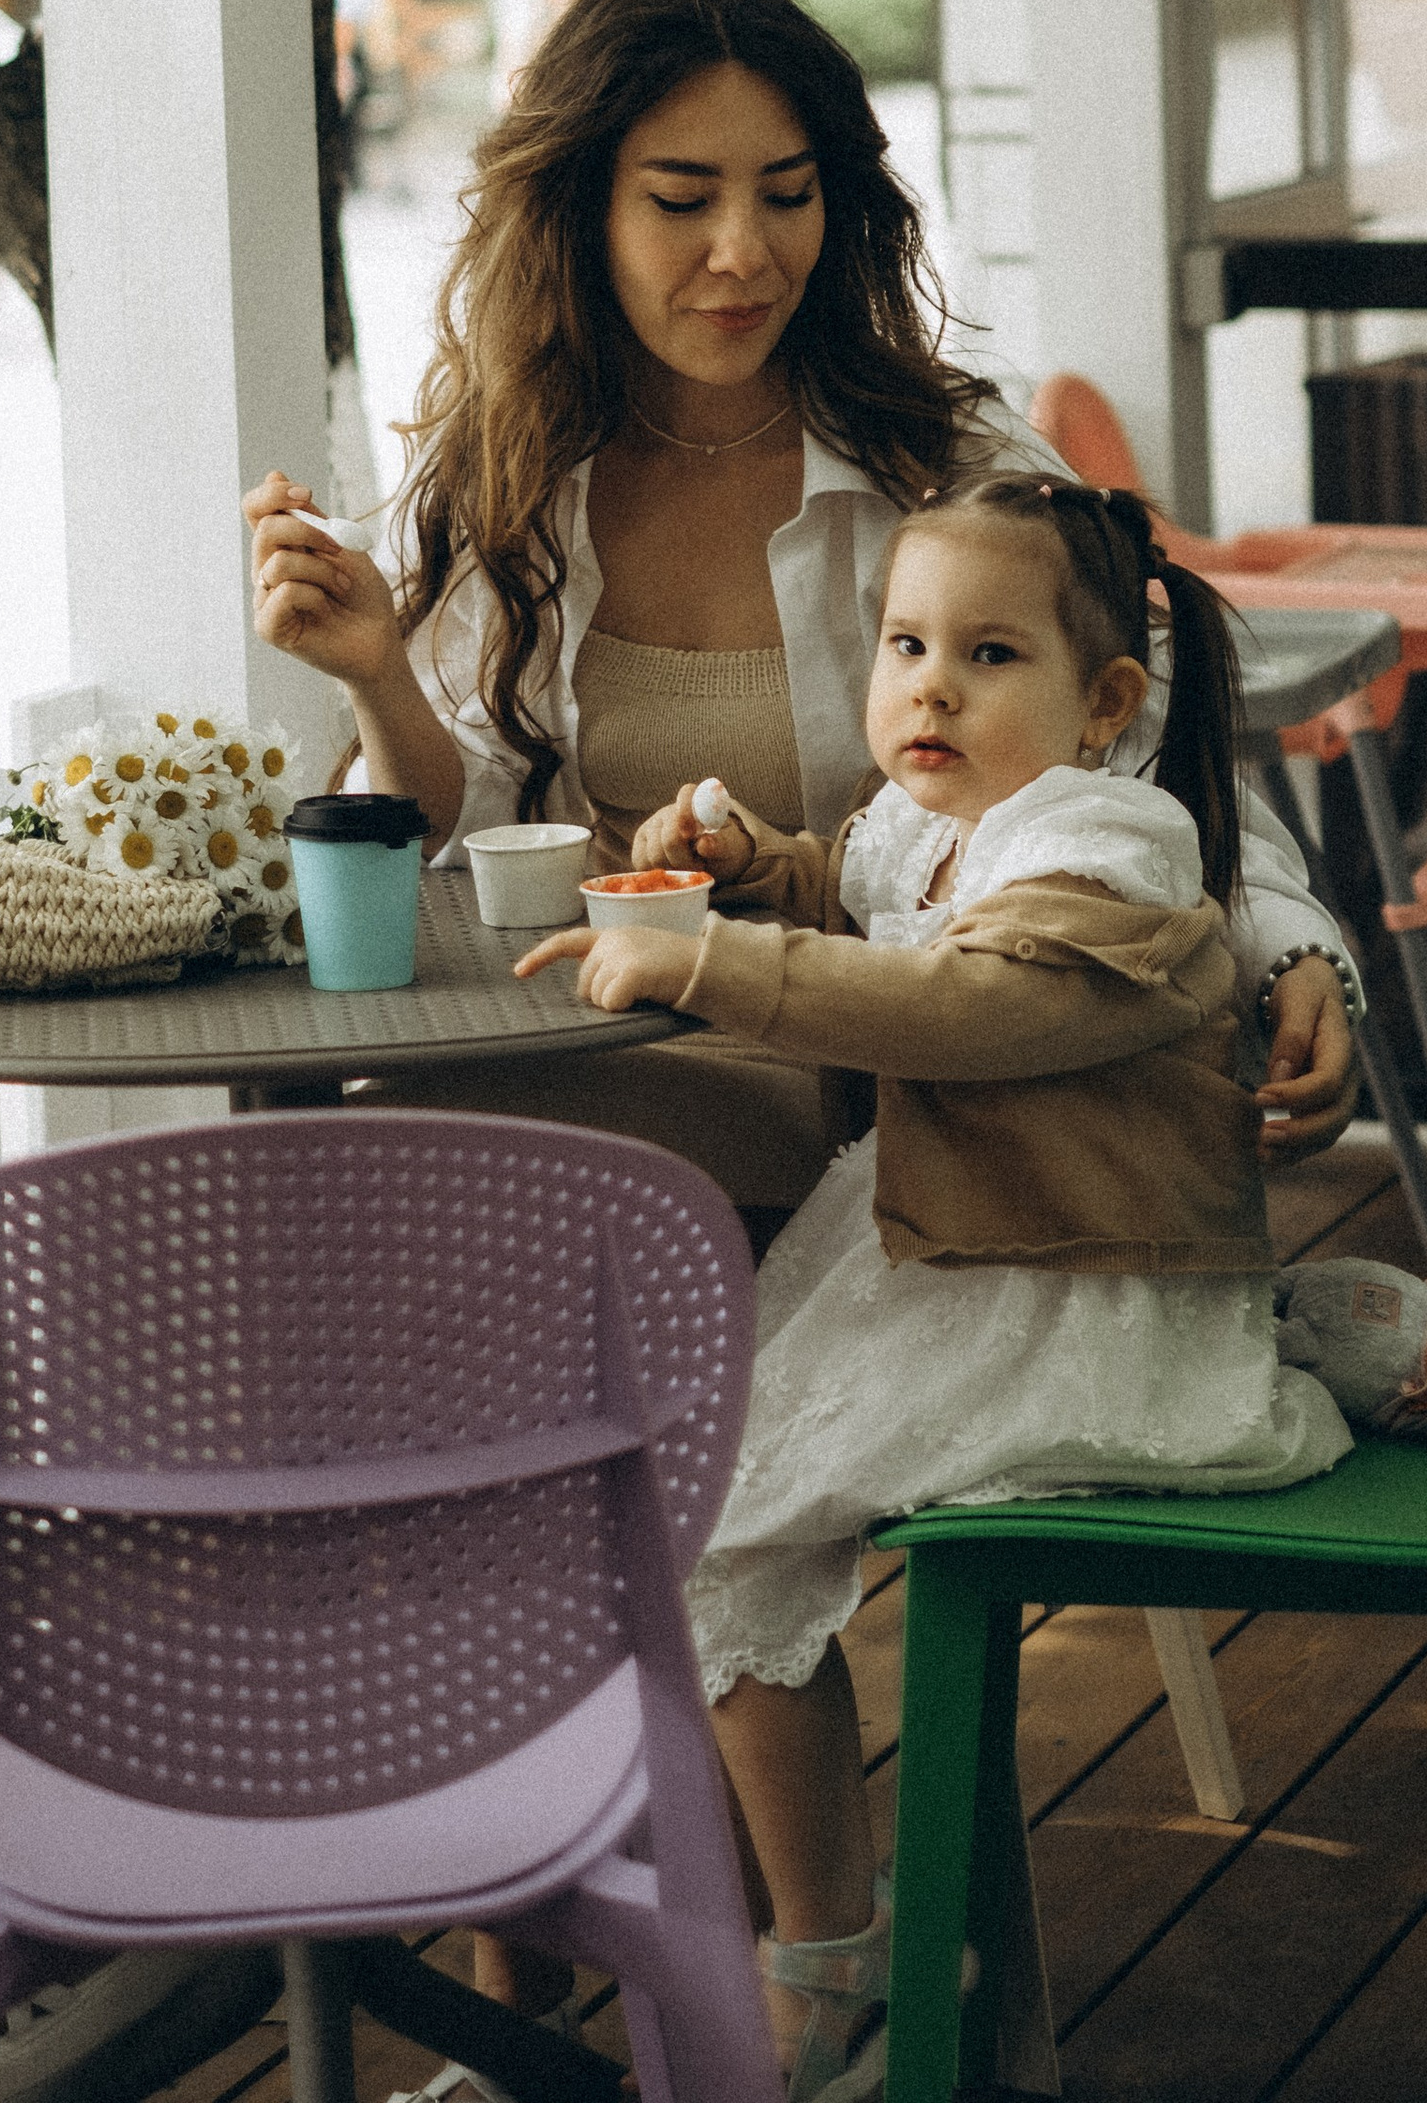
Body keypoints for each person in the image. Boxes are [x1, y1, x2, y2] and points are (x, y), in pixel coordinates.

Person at [244, 0, 1362, 1212]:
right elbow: (453, 838)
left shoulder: (950, 467)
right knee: (327, 1185)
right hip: (563, 1044)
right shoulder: (507, 473)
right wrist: (376, 675)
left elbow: (1143, 754)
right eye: (680, 200)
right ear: (578, 211)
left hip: (888, 1087)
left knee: (379, 1195)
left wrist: (1295, 954)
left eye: (787, 194)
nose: (743, 253)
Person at [516, 475, 1352, 2099]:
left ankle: (833, 1957)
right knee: (691, 1496)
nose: (930, 688)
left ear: (1107, 705)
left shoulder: (1109, 849)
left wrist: (707, 962)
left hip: (1076, 1304)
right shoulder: (956, 822)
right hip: (972, 1257)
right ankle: (809, 1938)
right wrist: (763, 874)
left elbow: (960, 1007)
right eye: (905, 645)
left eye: (987, 654)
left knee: (717, 1518)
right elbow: (874, 898)